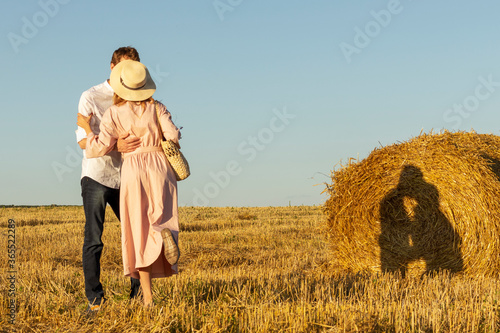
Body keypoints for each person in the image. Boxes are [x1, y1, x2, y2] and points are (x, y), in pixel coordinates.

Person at [77, 59, 182, 307]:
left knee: (138, 231)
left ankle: (148, 298)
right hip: (160, 168)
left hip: (133, 169)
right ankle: (162, 235)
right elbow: (174, 136)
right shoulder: (157, 107)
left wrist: (86, 128)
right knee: (161, 218)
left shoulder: (114, 113)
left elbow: (97, 147)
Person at [76, 47, 142, 312]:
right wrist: (117, 146)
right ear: (112, 67)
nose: (127, 75)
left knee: (137, 236)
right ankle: (95, 300)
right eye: (123, 68)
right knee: (95, 239)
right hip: (96, 175)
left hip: (128, 176)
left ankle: (138, 297)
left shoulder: (138, 97)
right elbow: (82, 140)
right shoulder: (90, 96)